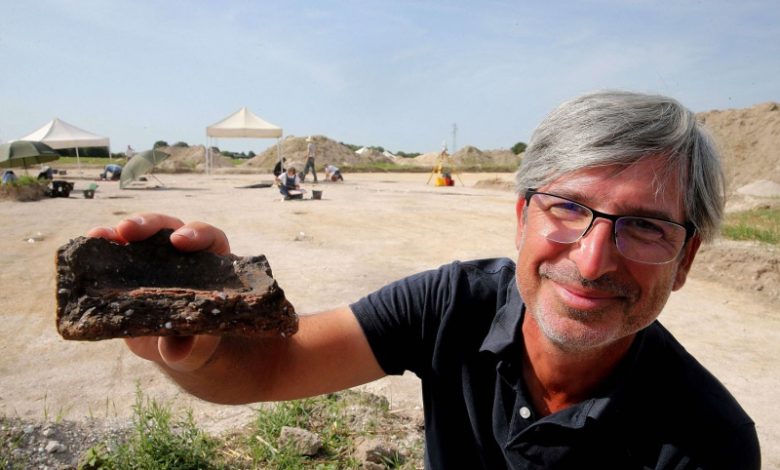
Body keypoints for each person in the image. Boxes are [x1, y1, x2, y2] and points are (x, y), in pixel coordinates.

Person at [88, 91, 760, 469]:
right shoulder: (452, 305)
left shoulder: (710, 445)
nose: (591, 260)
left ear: (687, 261)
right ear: (522, 217)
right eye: (569, 207)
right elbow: (266, 370)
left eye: (645, 227)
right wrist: (204, 346)